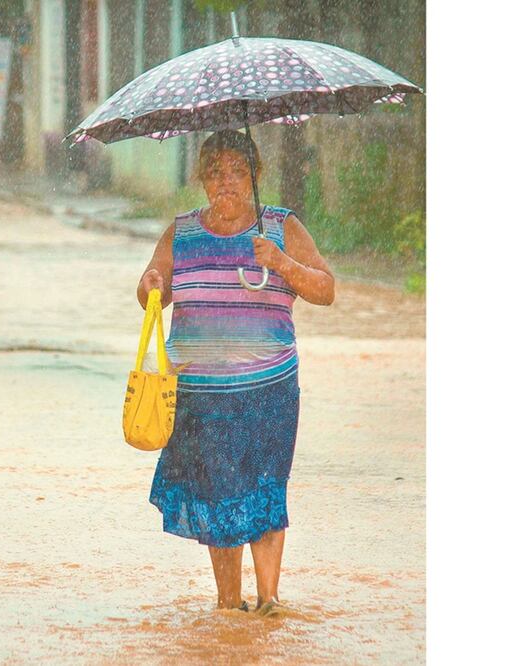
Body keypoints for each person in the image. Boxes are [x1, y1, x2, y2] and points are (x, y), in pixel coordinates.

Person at [137, 129, 335, 616]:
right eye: (215, 173)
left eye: (236, 172)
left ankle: (269, 602)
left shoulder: (280, 227)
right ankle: (229, 605)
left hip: (268, 391)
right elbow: (147, 295)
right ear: (202, 179)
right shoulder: (181, 232)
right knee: (217, 497)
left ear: (254, 176)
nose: (225, 182)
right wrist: (151, 284)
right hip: (200, 396)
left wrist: (282, 262)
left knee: (266, 492)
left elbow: (326, 289)